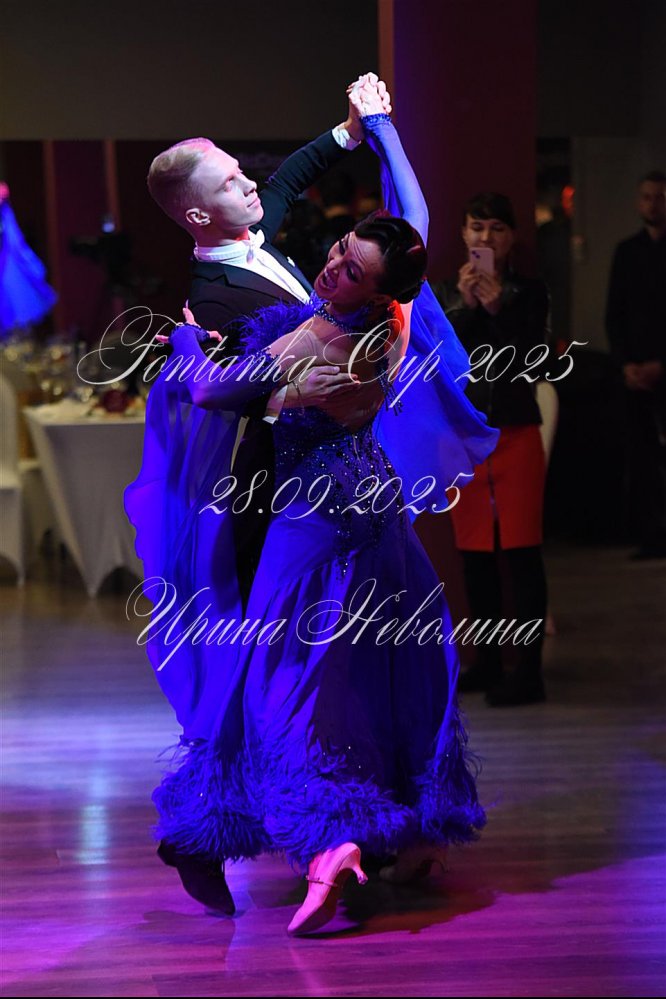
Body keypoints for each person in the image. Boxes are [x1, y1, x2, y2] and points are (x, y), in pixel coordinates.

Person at [125, 82, 499, 935]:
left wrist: (189, 349)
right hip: (361, 502)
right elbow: (402, 217)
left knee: (285, 677)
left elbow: (222, 389)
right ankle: (392, 827)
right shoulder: (370, 299)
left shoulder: (318, 324)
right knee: (377, 663)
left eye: (349, 266)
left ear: (374, 282)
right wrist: (374, 128)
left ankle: (299, 832)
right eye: (336, 251)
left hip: (310, 508)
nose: (330, 265)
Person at [142, 75, 390, 912]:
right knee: (274, 671)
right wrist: (300, 388)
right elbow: (231, 390)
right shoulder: (214, 296)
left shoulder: (255, 235)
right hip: (274, 494)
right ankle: (206, 831)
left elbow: (286, 178)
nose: (249, 182)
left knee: (331, 665)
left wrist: (349, 131)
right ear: (198, 214)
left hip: (328, 482)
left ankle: (361, 828)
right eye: (229, 180)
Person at [436, 193, 550, 707]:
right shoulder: (445, 293)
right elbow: (442, 363)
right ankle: (484, 662)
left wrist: (500, 307)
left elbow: (531, 360)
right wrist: (464, 308)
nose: (486, 238)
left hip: (516, 433)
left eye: (497, 229)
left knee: (523, 554)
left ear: (511, 238)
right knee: (475, 557)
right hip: (465, 440)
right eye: (477, 227)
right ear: (464, 234)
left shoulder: (531, 292)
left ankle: (529, 672)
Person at [605, 170, 666, 559]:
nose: (652, 204)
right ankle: (650, 535)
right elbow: (615, 314)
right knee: (642, 456)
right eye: (647, 197)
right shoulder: (627, 252)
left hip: (663, 367)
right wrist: (626, 364)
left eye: (659, 197)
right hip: (634, 370)